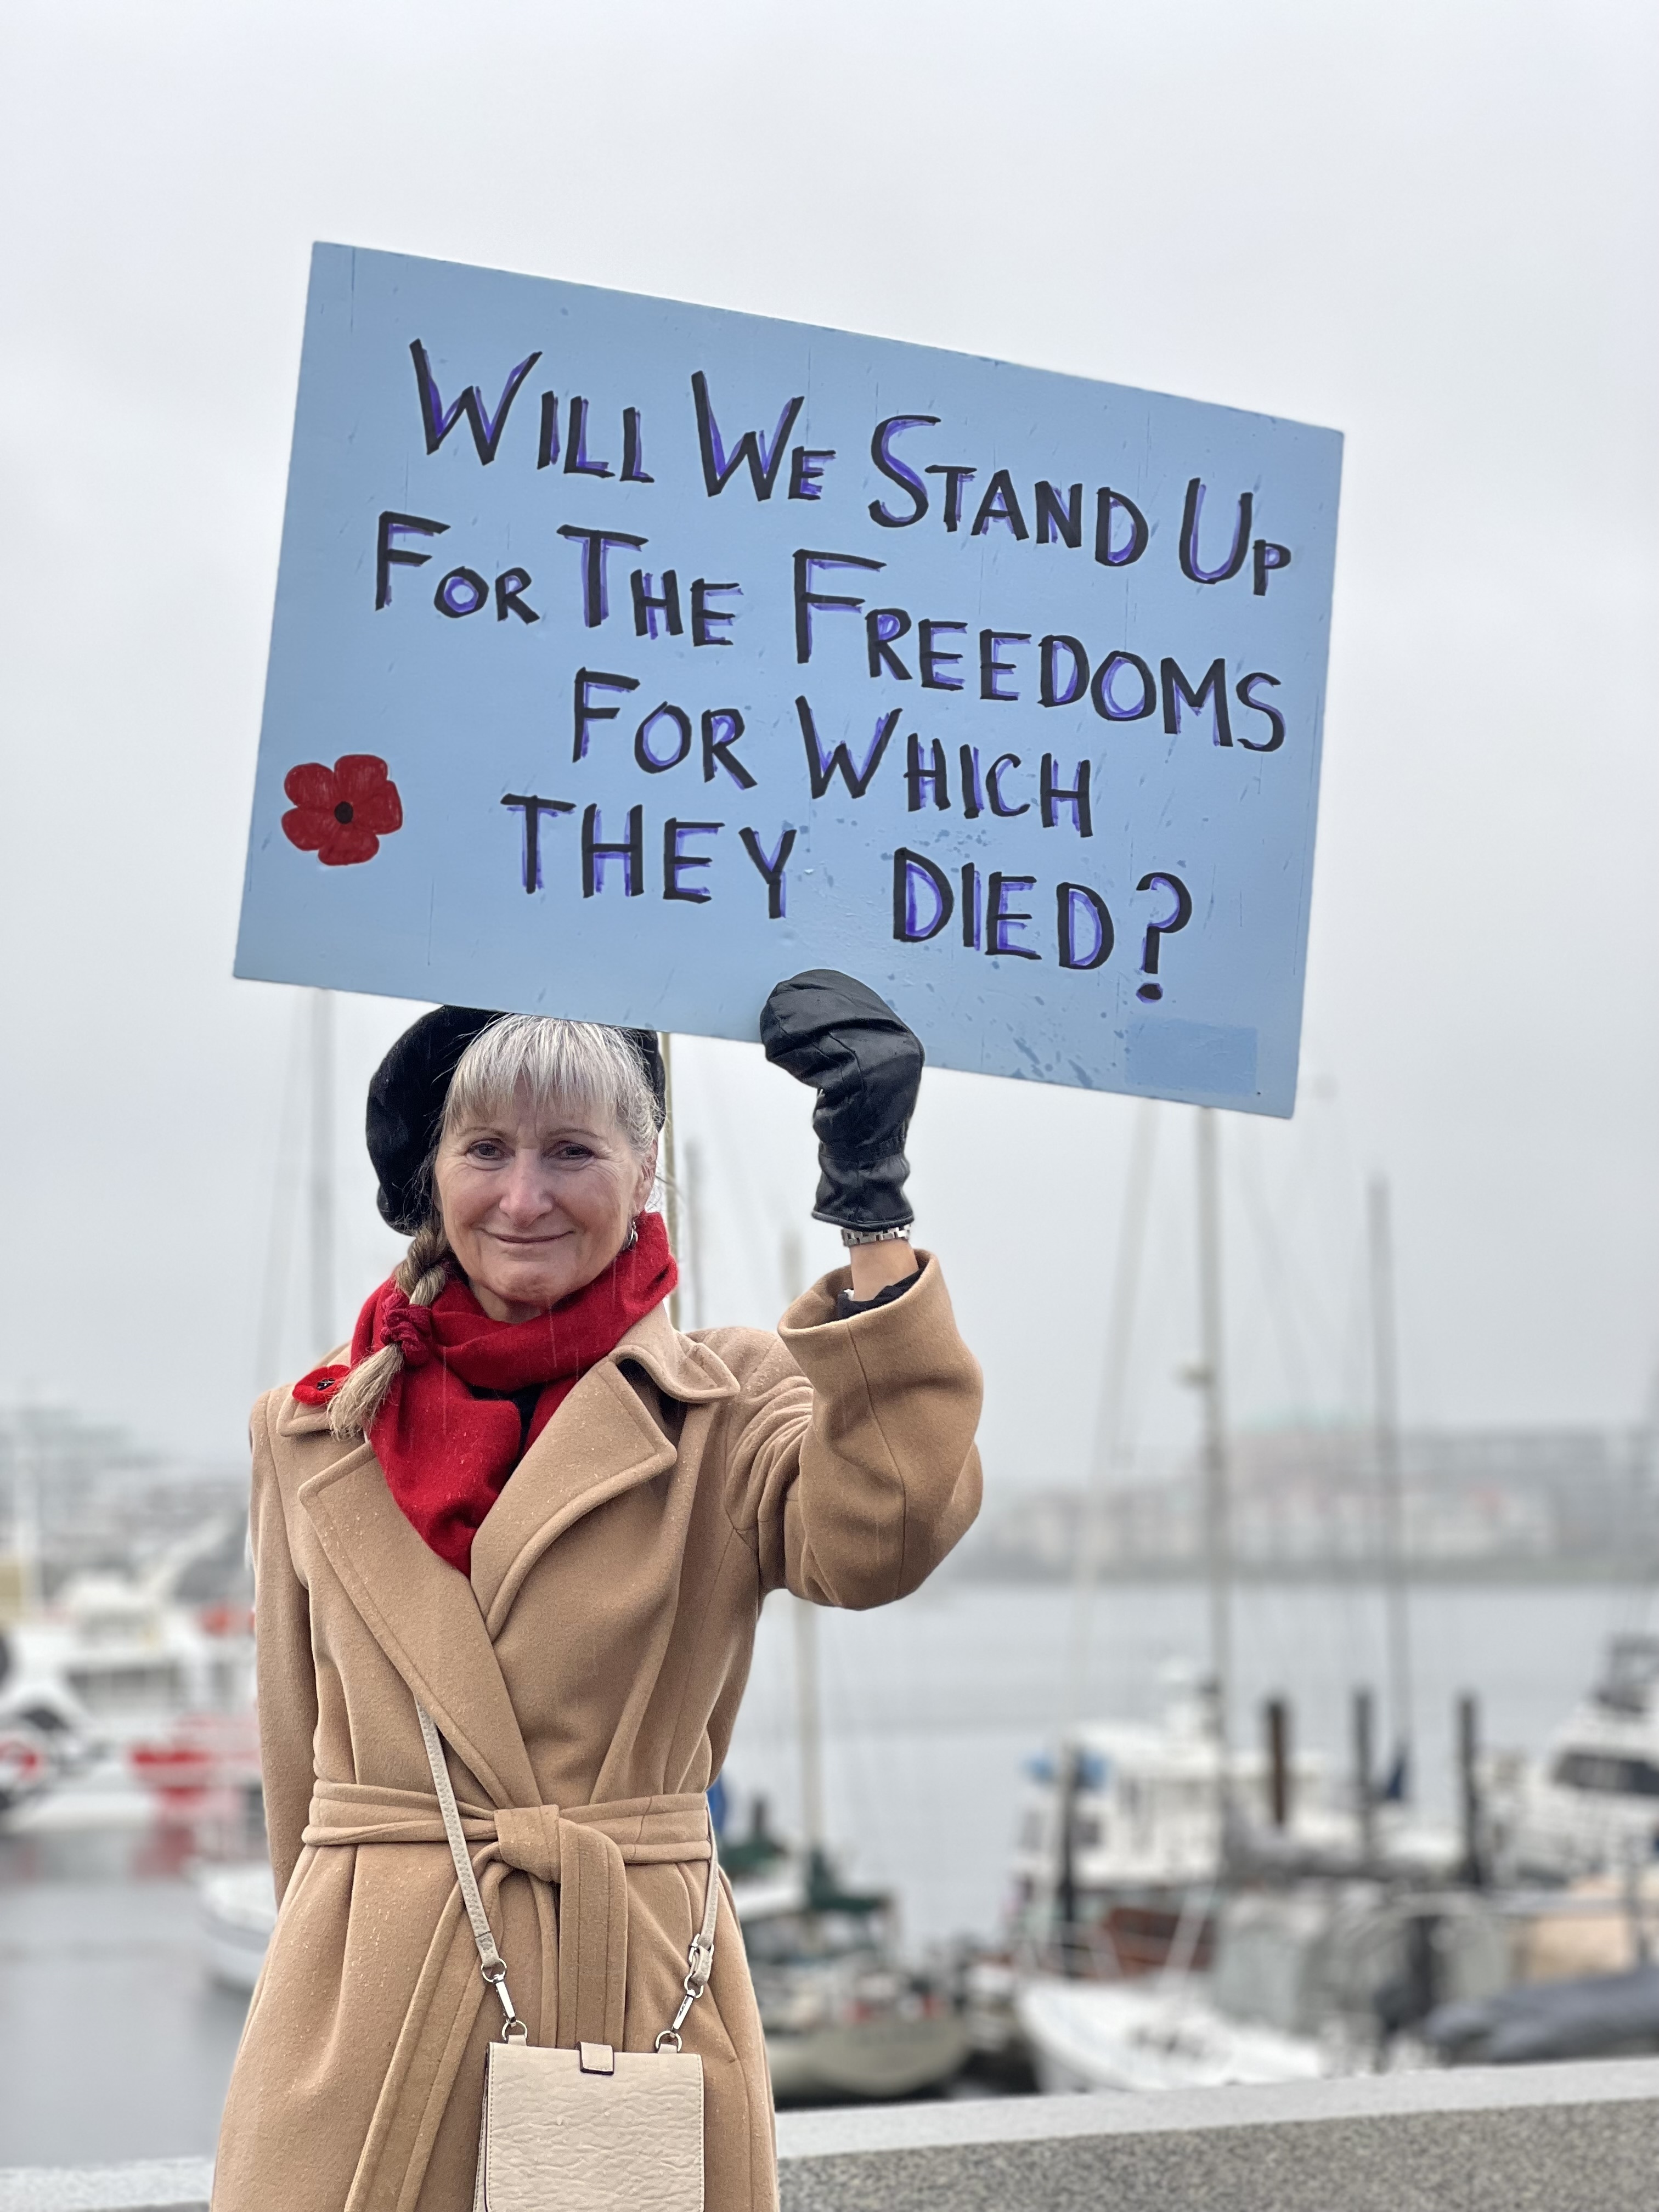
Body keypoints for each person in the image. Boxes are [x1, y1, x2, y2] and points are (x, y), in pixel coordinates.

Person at [212, 971, 983, 2212]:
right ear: (435, 1171)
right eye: (487, 1149)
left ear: (644, 1169)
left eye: (572, 1150)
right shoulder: (310, 1431)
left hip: (628, 2010)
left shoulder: (726, 1405)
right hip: (360, 2034)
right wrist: (320, 1984)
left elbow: (884, 1536)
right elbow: (299, 1793)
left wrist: (871, 1207)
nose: (524, 1197)